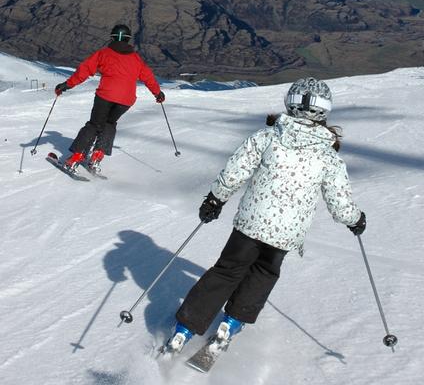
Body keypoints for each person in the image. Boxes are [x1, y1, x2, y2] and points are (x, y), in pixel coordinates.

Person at [166, 77, 366, 352]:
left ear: (290, 103)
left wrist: (216, 199)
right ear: (324, 111)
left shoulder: (267, 137)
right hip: (286, 234)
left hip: (250, 224)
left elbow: (236, 171)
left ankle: (185, 328)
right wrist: (355, 220)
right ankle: (232, 322)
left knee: (226, 271)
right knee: (264, 273)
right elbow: (340, 202)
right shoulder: (329, 157)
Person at [55, 24, 165, 171]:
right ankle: (97, 156)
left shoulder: (103, 54)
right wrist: (158, 93)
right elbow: (148, 77)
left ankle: (76, 157)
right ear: (128, 39)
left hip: (105, 95)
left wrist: (67, 85)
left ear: (112, 37)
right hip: (126, 100)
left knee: (94, 125)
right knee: (109, 123)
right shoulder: (136, 59)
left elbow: (85, 70)